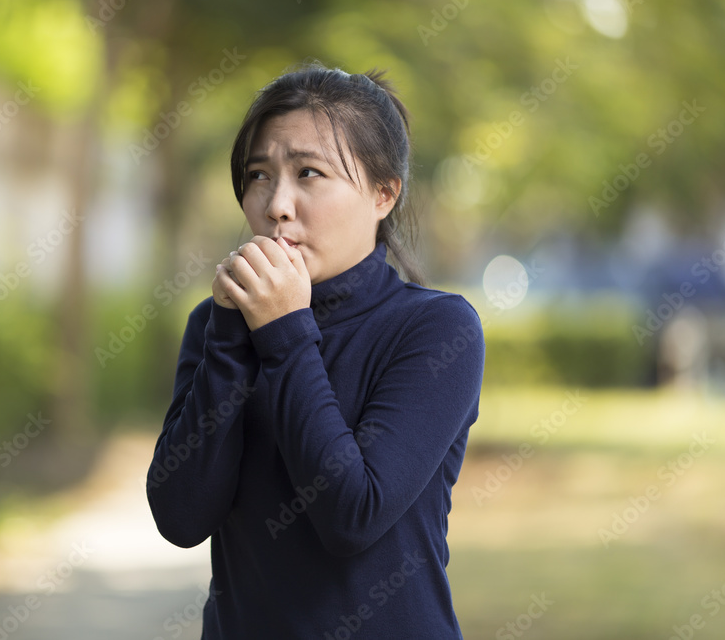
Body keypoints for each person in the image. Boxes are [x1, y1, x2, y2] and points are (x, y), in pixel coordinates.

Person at [146, 64, 485, 639]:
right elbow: (181, 517)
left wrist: (284, 331)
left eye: (309, 173)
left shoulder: (436, 328)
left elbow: (353, 516)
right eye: (258, 174)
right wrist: (231, 335)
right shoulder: (217, 323)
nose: (277, 204)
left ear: (384, 193)